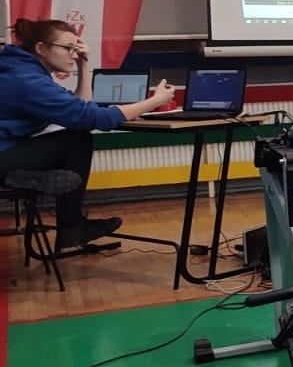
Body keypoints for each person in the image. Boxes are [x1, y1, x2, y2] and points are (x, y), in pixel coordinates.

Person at [0, 19, 174, 249]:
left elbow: (80, 108)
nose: (73, 55)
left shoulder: (21, 69)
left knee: (75, 135)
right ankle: (70, 226)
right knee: (78, 139)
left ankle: (33, 184)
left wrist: (83, 66)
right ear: (41, 48)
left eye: (76, 49)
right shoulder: (28, 81)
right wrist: (154, 101)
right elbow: (96, 119)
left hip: (8, 148)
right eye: (68, 48)